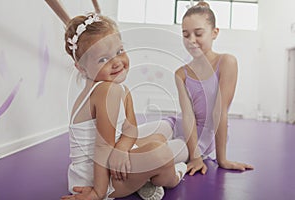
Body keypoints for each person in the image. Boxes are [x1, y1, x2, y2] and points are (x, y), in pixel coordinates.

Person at [59, 13, 187, 200]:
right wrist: (98, 193)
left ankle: (145, 179)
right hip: (99, 180)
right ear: (81, 67)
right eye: (103, 59)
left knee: (158, 139)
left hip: (112, 165)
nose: (116, 62)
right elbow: (102, 147)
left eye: (119, 52)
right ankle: (173, 176)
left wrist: (121, 149)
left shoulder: (120, 90)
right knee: (161, 153)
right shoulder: (105, 90)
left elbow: (130, 129)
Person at [137, 1, 253, 175]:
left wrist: (208, 157)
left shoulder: (227, 62)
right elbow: (188, 116)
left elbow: (219, 113)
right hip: (177, 124)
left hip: (202, 138)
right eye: (185, 34)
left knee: (152, 156)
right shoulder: (181, 74)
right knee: (128, 139)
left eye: (198, 33)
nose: (191, 41)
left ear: (215, 33)